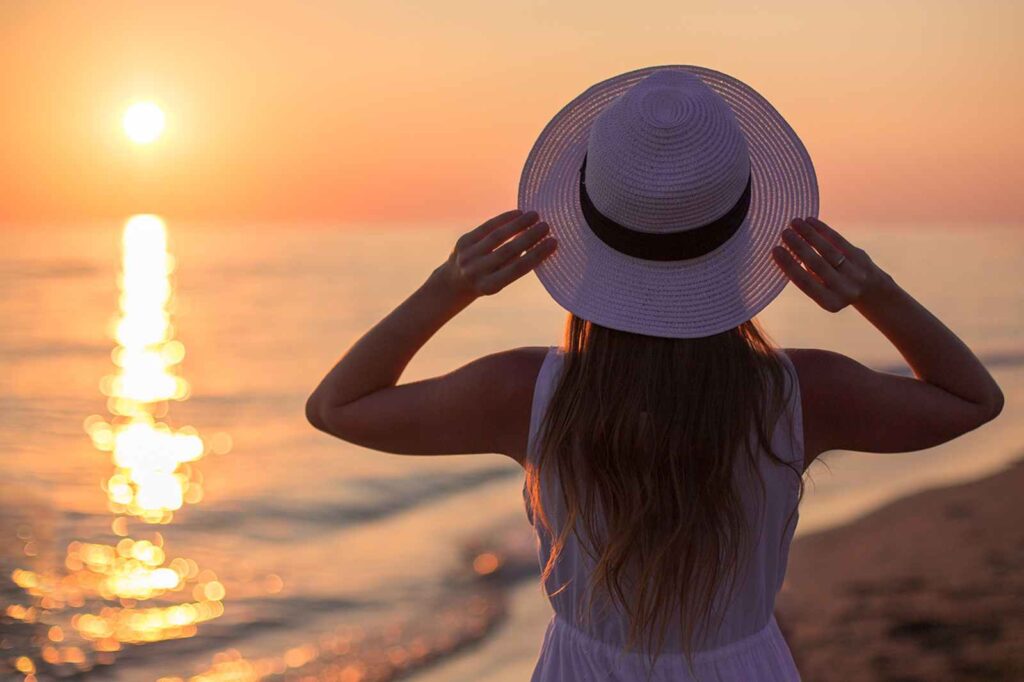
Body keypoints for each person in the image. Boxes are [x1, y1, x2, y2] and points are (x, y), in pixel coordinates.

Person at [305, 66, 1004, 681]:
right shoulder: (800, 394)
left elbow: (339, 406)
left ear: (584, 222)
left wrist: (447, 286)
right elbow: (970, 398)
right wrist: (871, 290)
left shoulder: (526, 394)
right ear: (745, 237)